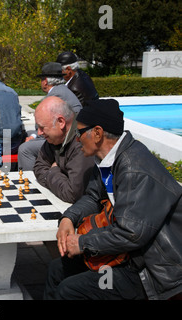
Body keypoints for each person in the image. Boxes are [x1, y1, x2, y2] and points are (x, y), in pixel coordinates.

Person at [44, 99, 182, 300]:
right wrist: (68, 218)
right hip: (123, 253)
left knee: (71, 290)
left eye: (80, 133)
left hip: (147, 269)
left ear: (98, 133)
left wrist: (82, 243)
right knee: (57, 269)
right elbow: (92, 196)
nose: (76, 140)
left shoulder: (134, 170)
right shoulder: (107, 159)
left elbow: (131, 233)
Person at [18, 62, 81, 171]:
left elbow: (44, 128)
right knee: (28, 135)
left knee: (25, 149)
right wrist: (33, 136)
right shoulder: (62, 90)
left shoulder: (55, 95)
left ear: (45, 81)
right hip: (67, 135)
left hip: (68, 140)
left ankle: (30, 181)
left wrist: (33, 138)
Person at [33, 96, 94, 203]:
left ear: (61, 122)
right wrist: (60, 180)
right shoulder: (55, 137)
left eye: (42, 127)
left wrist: (53, 171)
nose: (39, 133)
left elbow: (72, 194)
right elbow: (39, 167)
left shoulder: (82, 143)